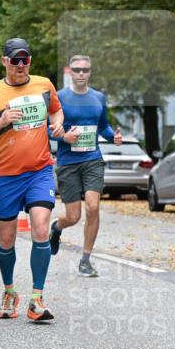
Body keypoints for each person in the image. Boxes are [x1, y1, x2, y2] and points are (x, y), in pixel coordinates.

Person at [0, 38, 65, 322]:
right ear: (4, 61)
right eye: (15, 60)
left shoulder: (44, 85)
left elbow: (55, 109)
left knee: (40, 228)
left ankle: (37, 299)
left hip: (40, 171)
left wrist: (57, 123)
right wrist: (0, 122)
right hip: (6, 176)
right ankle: (10, 291)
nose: (21, 65)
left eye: (25, 60)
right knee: (6, 238)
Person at [48, 55, 123, 276]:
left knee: (93, 206)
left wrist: (113, 137)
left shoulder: (98, 97)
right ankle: (57, 227)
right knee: (73, 217)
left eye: (85, 70)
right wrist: (64, 137)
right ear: (70, 72)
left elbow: (103, 127)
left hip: (92, 159)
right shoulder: (59, 97)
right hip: (68, 162)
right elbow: (47, 130)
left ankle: (85, 260)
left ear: (90, 72)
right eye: (77, 70)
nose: (81, 73)